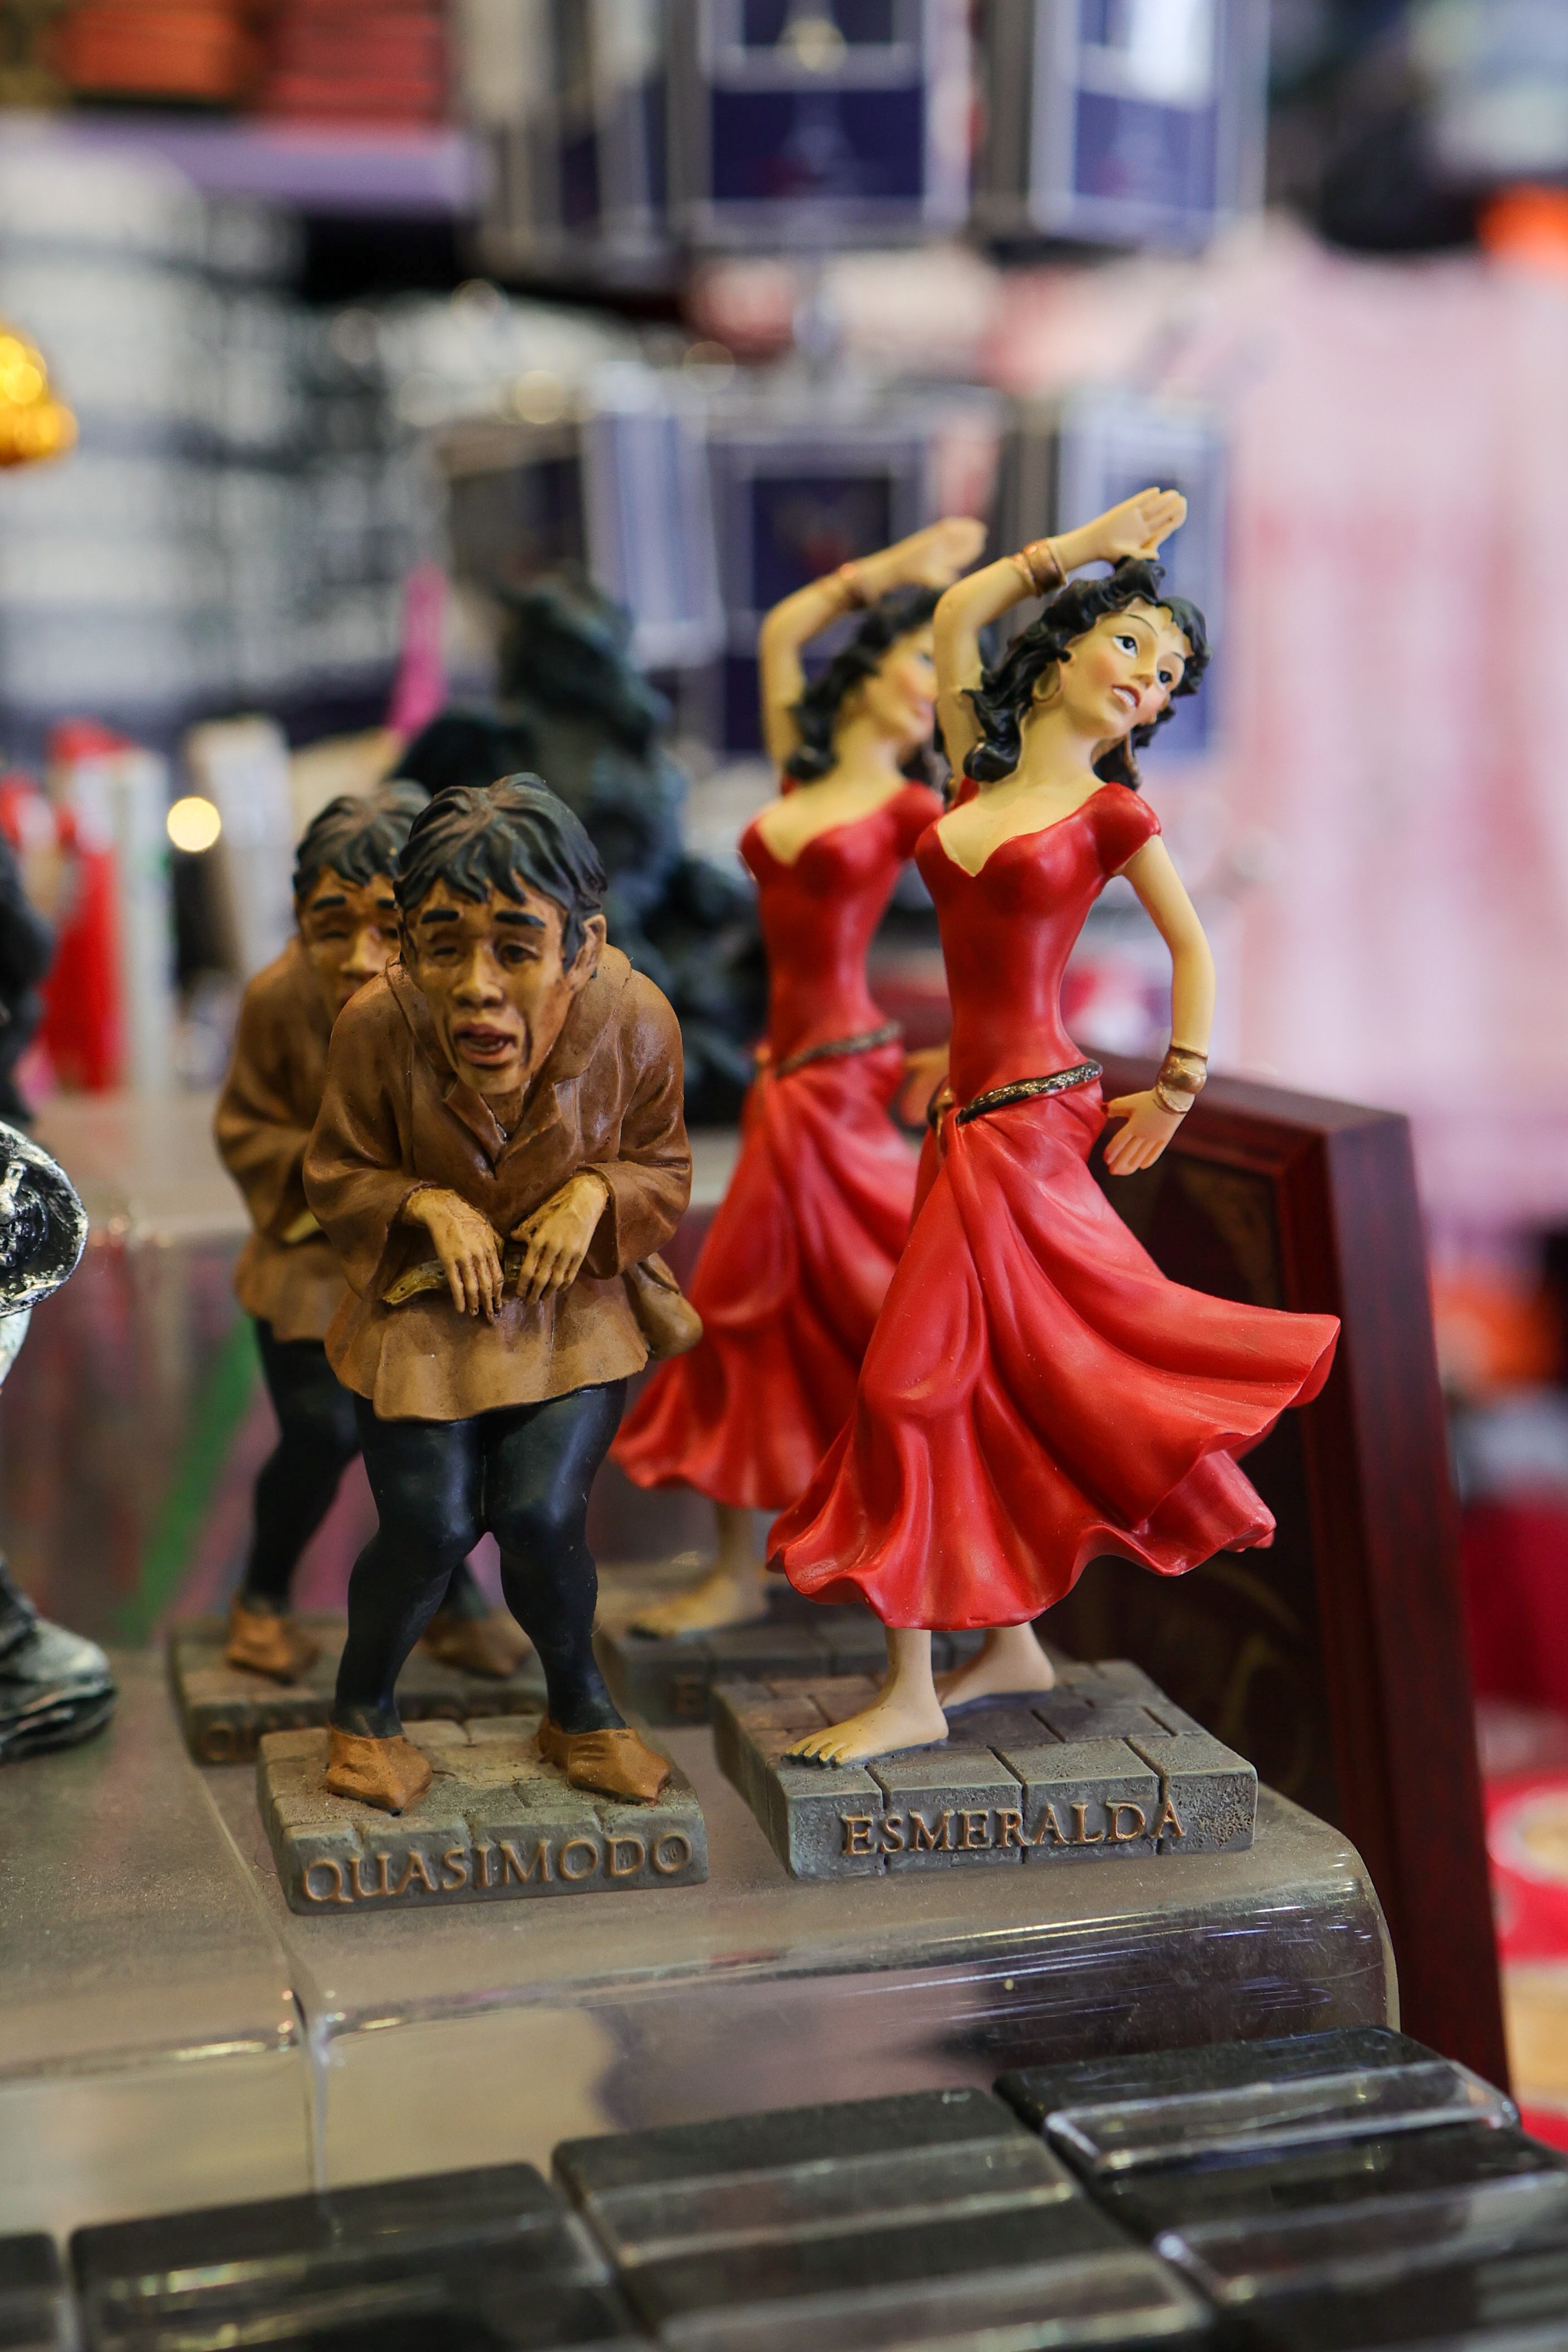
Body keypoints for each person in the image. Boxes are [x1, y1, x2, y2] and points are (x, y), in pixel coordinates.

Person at [772, 492, 1341, 1767]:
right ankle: (1010, 1645)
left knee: (906, 1382)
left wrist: (1178, 1086)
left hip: (1029, 1125)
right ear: (1066, 648)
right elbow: (956, 612)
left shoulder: (1110, 817)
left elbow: (1192, 948)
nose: (1148, 677)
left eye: (1169, 673)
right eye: (1131, 643)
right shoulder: (974, 767)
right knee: (976, 1382)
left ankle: (914, 1683)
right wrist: (1080, 549)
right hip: (960, 1117)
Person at [611, 519, 984, 1638]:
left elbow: (996, 916)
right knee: (741, 1319)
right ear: (865, 673)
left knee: (887, 1317)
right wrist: (893, 573)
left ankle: (934, 1557)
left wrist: (973, 1042)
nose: (929, 687)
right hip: (781, 1086)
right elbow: (782, 631)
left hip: (845, 1083)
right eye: (916, 662)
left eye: (940, 669)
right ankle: (739, 1565)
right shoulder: (803, 774)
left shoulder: (913, 809)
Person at [303, 777, 691, 1814]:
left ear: (581, 946)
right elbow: (335, 1171)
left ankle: (581, 1710)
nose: (477, 988)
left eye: (516, 949)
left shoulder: (635, 1018)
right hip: (421, 1315)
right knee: (427, 1525)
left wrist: (598, 1194)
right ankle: (362, 1713)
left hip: (569, 1314)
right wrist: (422, 1202)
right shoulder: (375, 1025)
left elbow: (663, 1165)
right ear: (406, 948)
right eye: (443, 948)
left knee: (540, 1513)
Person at [215, 787, 524, 1684]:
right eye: (331, 927)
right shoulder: (278, 1000)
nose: (358, 957)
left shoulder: (449, 1003)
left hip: (414, 1269)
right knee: (319, 1431)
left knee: (434, 1434)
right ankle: (262, 1594)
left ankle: (453, 1602)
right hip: (312, 1262)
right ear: (297, 918)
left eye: (387, 928)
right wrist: (348, 1184)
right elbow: (247, 1130)